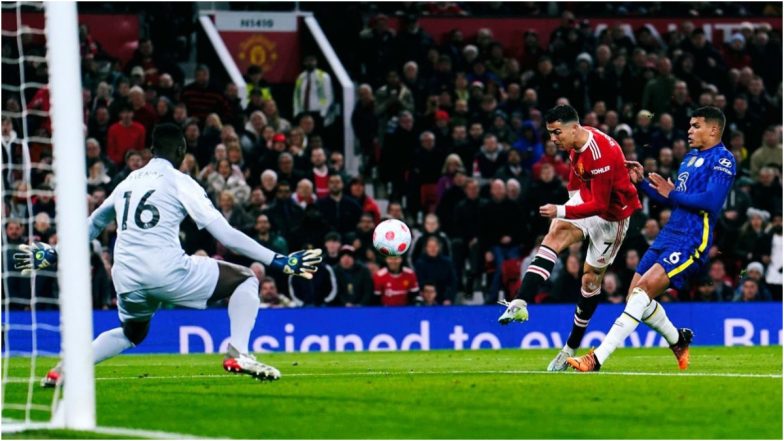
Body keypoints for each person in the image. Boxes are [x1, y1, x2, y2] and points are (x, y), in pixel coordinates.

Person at [17, 124, 322, 385]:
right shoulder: (179, 181)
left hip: (125, 277)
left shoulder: (127, 182)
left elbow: (95, 222)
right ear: (181, 151)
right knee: (244, 279)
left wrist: (56, 253)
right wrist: (277, 260)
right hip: (166, 270)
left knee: (132, 333)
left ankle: (66, 368)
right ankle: (238, 353)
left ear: (151, 150)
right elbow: (226, 235)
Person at [568, 106, 736, 372]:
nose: (689, 130)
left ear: (714, 129)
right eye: (690, 125)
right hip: (668, 234)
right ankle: (677, 340)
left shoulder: (723, 160)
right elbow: (675, 199)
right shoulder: (690, 159)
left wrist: (671, 193)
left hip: (692, 238)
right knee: (635, 297)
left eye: (696, 126)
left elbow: (711, 202)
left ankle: (596, 358)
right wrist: (642, 183)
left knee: (642, 292)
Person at [497, 104, 641, 372]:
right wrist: (569, 205)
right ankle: (520, 301)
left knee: (589, 281)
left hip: (612, 217)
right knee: (555, 232)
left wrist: (561, 209)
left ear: (574, 128)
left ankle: (570, 349)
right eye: (550, 133)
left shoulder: (600, 152)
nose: (553, 139)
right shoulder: (575, 145)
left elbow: (599, 204)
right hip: (589, 199)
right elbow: (576, 180)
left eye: (556, 132)